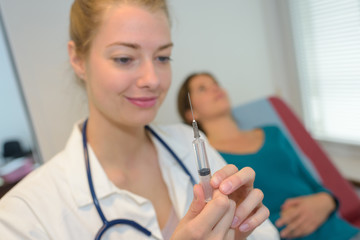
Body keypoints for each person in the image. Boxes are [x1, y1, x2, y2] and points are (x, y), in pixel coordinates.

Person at [0, 1, 280, 239]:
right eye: (124, 58)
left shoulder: (188, 142)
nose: (153, 80)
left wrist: (240, 231)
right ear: (78, 59)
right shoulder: (23, 215)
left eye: (162, 57)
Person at [177, 72, 360, 240]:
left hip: (339, 231)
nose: (215, 88)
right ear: (191, 113)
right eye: (202, 88)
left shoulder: (273, 133)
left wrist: (326, 201)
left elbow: (313, 183)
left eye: (215, 83)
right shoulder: (207, 160)